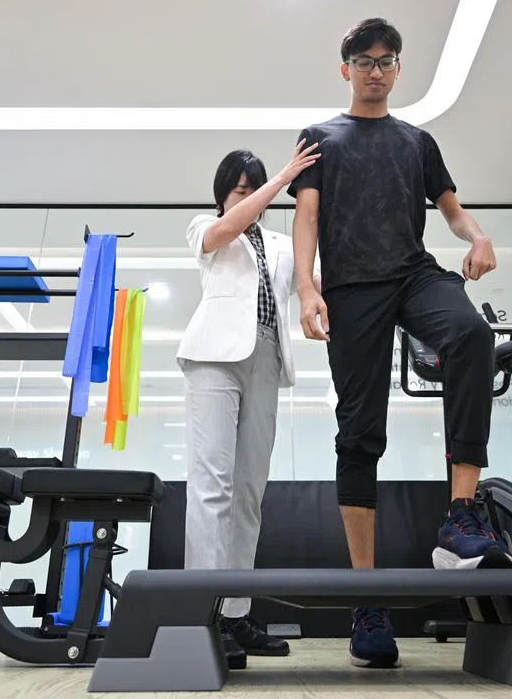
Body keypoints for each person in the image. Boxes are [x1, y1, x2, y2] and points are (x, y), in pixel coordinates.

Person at [287, 17, 512, 669]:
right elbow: (306, 216)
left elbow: (449, 206)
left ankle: (461, 515)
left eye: (387, 60)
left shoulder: (418, 140)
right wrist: (308, 287)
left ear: (398, 67)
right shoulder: (321, 137)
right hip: (353, 286)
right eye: (365, 59)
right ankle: (369, 600)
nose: (376, 69)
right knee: (360, 433)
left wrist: (474, 235)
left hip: (413, 274)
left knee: (471, 334)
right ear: (346, 68)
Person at [177, 141, 321, 669]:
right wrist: (279, 179)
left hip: (265, 358)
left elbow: (309, 285)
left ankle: (235, 615)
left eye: (253, 188)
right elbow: (224, 230)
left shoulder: (282, 244)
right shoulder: (206, 228)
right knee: (211, 486)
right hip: (214, 358)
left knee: (248, 492)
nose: (251, 196)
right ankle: (204, 615)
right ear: (224, 196)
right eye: (240, 189)